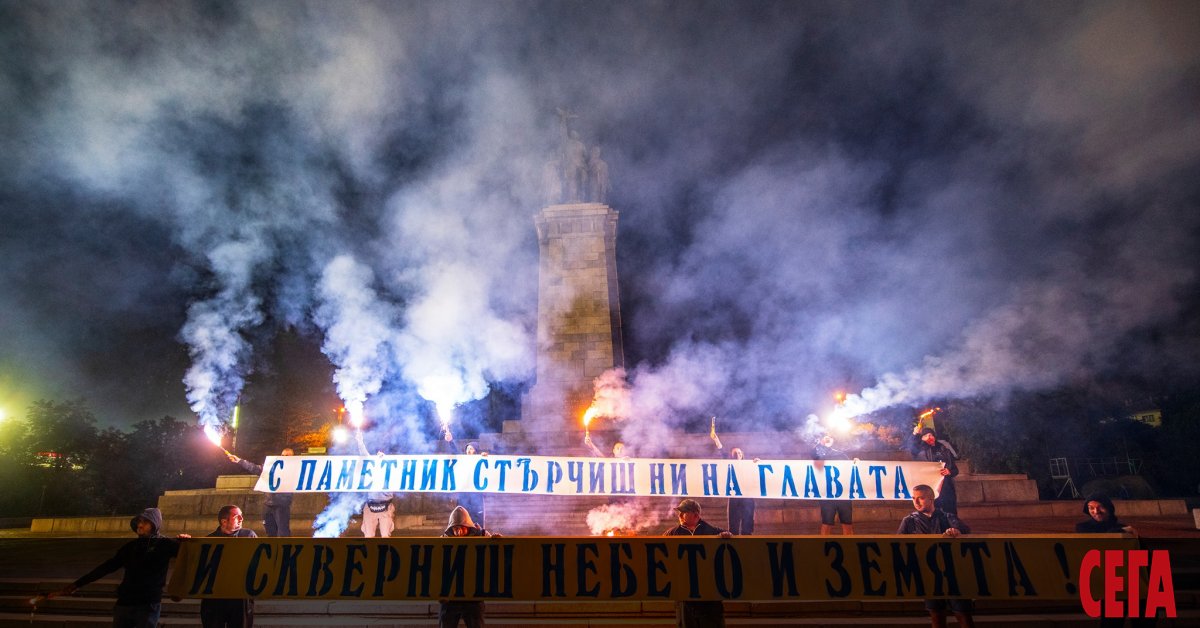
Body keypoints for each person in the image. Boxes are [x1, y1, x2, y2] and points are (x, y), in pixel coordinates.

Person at [55, 507, 189, 628]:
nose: (140, 525)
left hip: (148, 605)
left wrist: (188, 542)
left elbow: (193, 554)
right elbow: (107, 567)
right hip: (125, 603)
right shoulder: (130, 547)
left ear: (154, 525)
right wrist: (77, 584)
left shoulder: (165, 544)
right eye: (139, 521)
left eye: (145, 522)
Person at [897, 485, 974, 628]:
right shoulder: (909, 521)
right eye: (914, 498)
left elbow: (965, 530)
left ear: (931, 498)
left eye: (921, 498)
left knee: (963, 615)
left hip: (953, 574)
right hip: (929, 575)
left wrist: (956, 531)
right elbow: (898, 545)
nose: (916, 502)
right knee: (936, 616)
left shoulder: (947, 516)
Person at [664, 499, 732, 628]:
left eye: (683, 512)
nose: (679, 515)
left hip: (709, 593)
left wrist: (727, 536)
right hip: (684, 593)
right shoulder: (671, 533)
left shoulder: (713, 532)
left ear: (696, 514)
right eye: (680, 512)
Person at [439, 506, 501, 628]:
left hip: (473, 594)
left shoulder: (482, 535)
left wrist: (497, 540)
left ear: (468, 527)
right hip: (450, 596)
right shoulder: (443, 540)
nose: (458, 532)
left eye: (462, 528)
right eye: (455, 528)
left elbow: (496, 551)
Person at [201, 505, 256, 628]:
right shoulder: (209, 540)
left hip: (240, 597)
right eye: (237, 516)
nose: (242, 518)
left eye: (241, 515)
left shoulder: (249, 536)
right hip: (215, 597)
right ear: (224, 521)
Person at [228, 447, 294, 536]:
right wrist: (239, 461)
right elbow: (255, 468)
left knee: (283, 532)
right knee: (270, 531)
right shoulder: (272, 467)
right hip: (268, 504)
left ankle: (285, 549)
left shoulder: (294, 470)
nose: (284, 457)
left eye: (287, 456)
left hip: (282, 505)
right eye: (282, 455)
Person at [354, 430, 395, 537]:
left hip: (386, 505)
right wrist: (359, 441)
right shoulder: (370, 465)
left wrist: (385, 460)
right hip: (370, 505)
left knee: (385, 535)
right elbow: (364, 454)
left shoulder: (391, 469)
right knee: (368, 536)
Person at [813, 434, 855, 535]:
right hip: (827, 495)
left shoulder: (841, 454)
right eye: (825, 437)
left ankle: (851, 548)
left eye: (830, 437)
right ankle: (823, 548)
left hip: (843, 494)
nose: (828, 439)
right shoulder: (816, 454)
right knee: (827, 524)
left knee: (847, 524)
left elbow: (851, 468)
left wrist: (856, 463)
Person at [913, 428, 960, 515]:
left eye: (931, 435)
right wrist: (916, 435)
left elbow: (955, 470)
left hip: (946, 486)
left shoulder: (944, 449)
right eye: (925, 436)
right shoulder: (921, 451)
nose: (929, 437)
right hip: (930, 487)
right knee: (934, 512)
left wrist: (949, 472)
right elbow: (913, 448)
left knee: (950, 511)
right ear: (922, 438)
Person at [725, 447, 756, 535]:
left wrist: (758, 464)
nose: (737, 455)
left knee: (747, 526)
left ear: (742, 455)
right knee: (733, 526)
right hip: (734, 497)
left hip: (747, 497)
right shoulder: (728, 465)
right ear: (731, 456)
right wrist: (716, 440)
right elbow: (722, 453)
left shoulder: (749, 465)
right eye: (735, 453)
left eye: (739, 453)